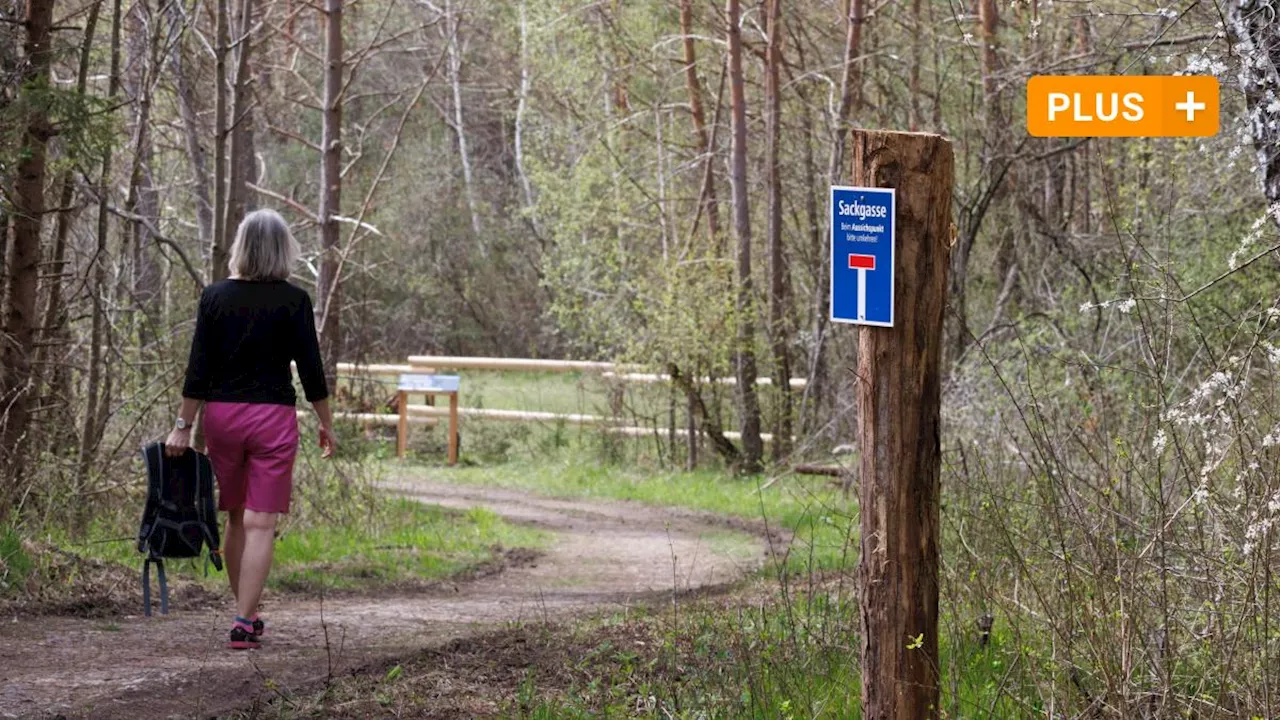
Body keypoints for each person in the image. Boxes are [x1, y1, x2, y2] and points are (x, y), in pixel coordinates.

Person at [166, 208, 336, 650]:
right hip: (273, 420)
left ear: (242, 246)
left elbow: (198, 369)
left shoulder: (215, 297)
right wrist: (326, 423)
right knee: (262, 523)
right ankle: (244, 619)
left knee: (237, 517)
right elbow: (312, 371)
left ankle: (247, 613)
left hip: (222, 418)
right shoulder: (294, 300)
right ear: (284, 249)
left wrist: (183, 426)